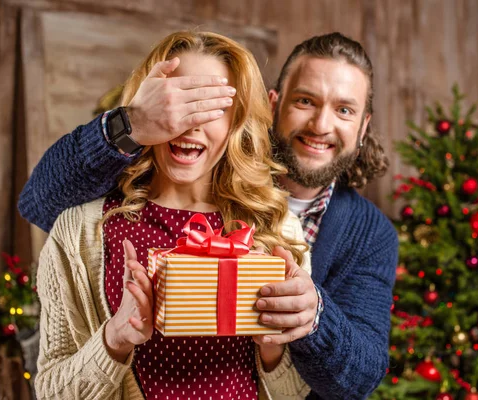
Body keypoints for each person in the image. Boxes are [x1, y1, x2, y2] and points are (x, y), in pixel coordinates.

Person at [20, 32, 398, 399]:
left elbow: (351, 379)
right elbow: (39, 202)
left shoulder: (289, 228)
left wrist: (307, 320)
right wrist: (130, 122)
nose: (320, 125)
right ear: (271, 106)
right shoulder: (90, 223)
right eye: (304, 101)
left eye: (344, 109)